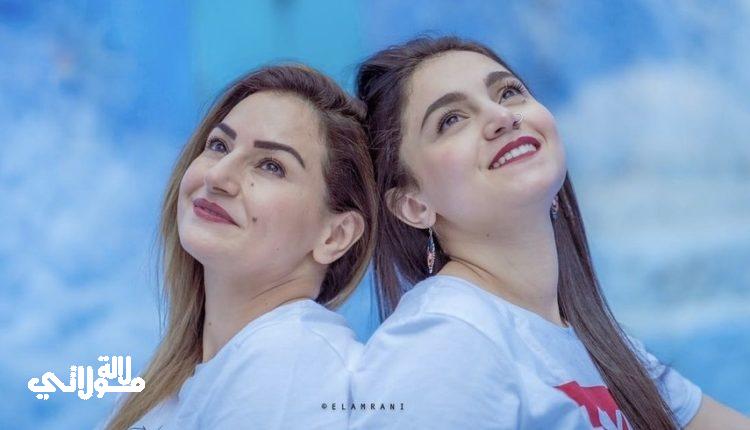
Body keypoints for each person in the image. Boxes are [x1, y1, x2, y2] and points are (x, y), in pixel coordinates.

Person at [351, 36, 749, 429]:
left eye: (508, 92)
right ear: (413, 205)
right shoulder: (442, 342)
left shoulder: (598, 346)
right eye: (451, 119)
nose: (501, 116)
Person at [102, 64, 376, 429]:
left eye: (271, 166)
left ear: (335, 236)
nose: (217, 176)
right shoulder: (160, 391)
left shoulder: (290, 363)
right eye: (219, 146)